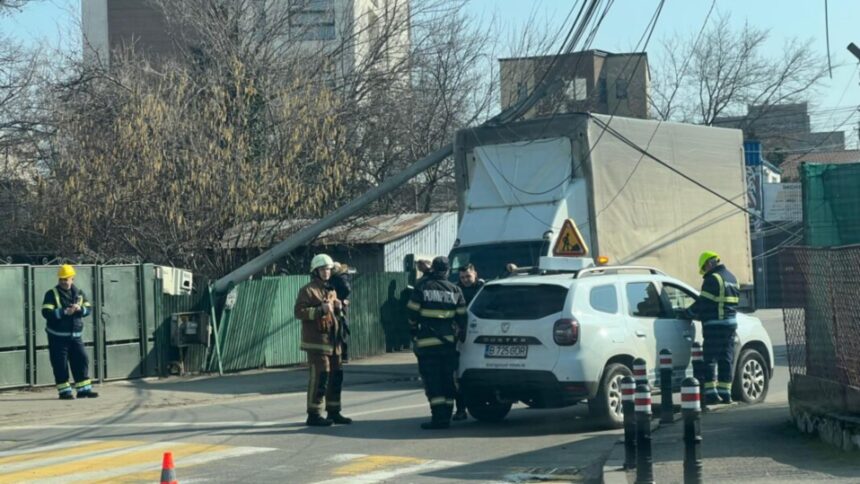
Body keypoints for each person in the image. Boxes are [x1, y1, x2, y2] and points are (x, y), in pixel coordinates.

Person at [407, 256, 467, 429]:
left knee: (433, 383)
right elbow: (462, 316)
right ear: (447, 271)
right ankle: (446, 417)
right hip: (448, 344)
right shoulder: (455, 290)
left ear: (433, 268)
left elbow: (412, 312)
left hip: (427, 344)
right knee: (448, 381)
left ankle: (438, 419)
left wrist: (413, 332)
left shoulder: (423, 287)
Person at [294, 254, 353, 426]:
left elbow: (335, 317)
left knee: (336, 376)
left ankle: (334, 412)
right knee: (321, 376)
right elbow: (299, 312)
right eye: (322, 269)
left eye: (328, 269)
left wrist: (339, 308)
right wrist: (320, 309)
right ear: (315, 271)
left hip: (334, 343)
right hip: (317, 343)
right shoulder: (308, 290)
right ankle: (314, 414)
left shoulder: (332, 290)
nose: (326, 272)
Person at [686, 251, 740, 405]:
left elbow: (703, 303)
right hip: (730, 324)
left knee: (710, 359)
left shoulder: (712, 279)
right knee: (726, 359)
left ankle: (711, 394)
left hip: (715, 325)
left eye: (704, 268)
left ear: (709, 263)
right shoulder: (732, 278)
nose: (704, 273)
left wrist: (687, 313)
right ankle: (725, 394)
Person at [41, 264, 98, 400]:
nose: (63, 281)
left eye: (66, 279)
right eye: (61, 279)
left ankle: (84, 389)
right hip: (57, 337)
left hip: (75, 336)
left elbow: (88, 308)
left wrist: (79, 309)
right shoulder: (51, 294)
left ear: (72, 279)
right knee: (60, 364)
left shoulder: (79, 293)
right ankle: (64, 392)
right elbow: (46, 312)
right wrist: (64, 311)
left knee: (82, 360)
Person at [452, 264, 485, 421]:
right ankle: (460, 409)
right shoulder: (455, 289)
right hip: (461, 336)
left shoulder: (483, 288)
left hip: (482, 334)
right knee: (459, 375)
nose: (465, 280)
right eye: (463, 277)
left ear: (475, 274)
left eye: (468, 276)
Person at [330, 262, 352, 363]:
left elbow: (347, 289)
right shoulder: (341, 276)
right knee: (340, 327)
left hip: (340, 305)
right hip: (339, 304)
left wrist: (340, 299)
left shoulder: (339, 277)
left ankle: (344, 355)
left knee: (341, 328)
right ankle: (342, 355)